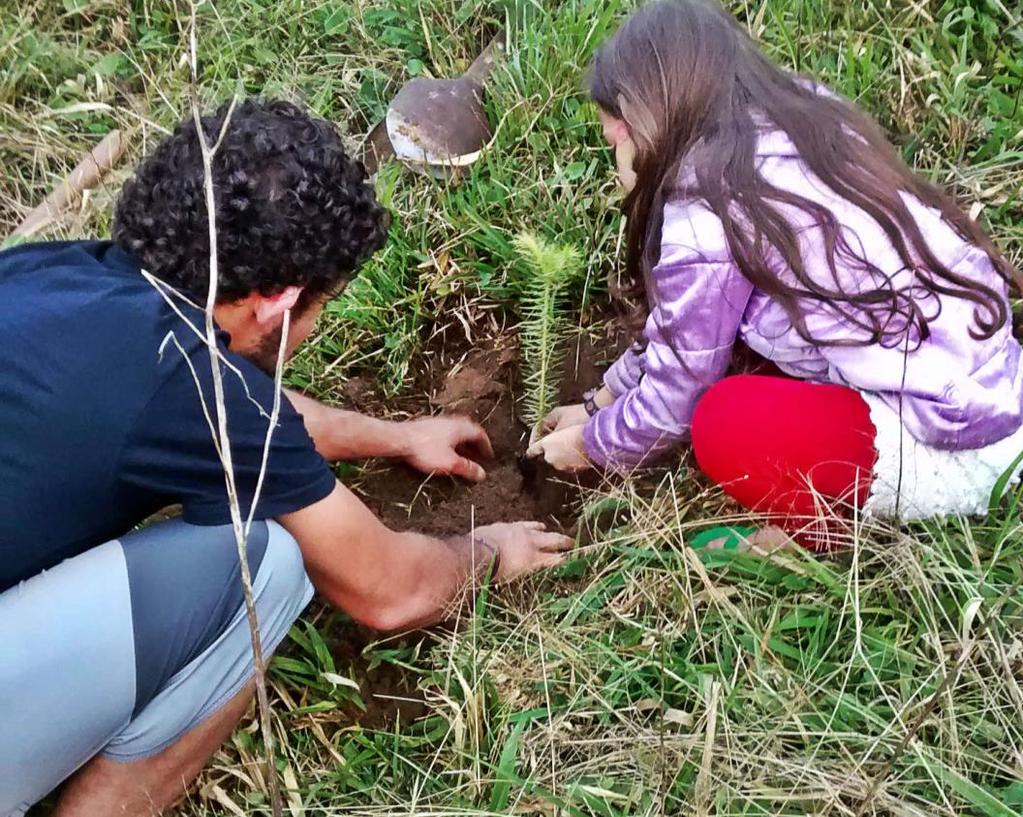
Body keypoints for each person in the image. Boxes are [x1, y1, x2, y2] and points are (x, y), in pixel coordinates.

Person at [0, 99, 572, 817]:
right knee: (263, 563)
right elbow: (388, 590)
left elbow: (235, 412)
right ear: (278, 302)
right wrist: (486, 549)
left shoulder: (52, 275)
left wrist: (388, 434)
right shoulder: (188, 382)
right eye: (323, 304)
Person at [527, 0, 1023, 547]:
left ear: (644, 119)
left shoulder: (704, 212)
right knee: (740, 354)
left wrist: (592, 445)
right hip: (989, 380)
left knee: (722, 421)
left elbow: (675, 399)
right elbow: (679, 335)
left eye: (615, 135)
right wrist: (603, 398)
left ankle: (814, 530)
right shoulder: (802, 117)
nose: (614, 147)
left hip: (952, 445)